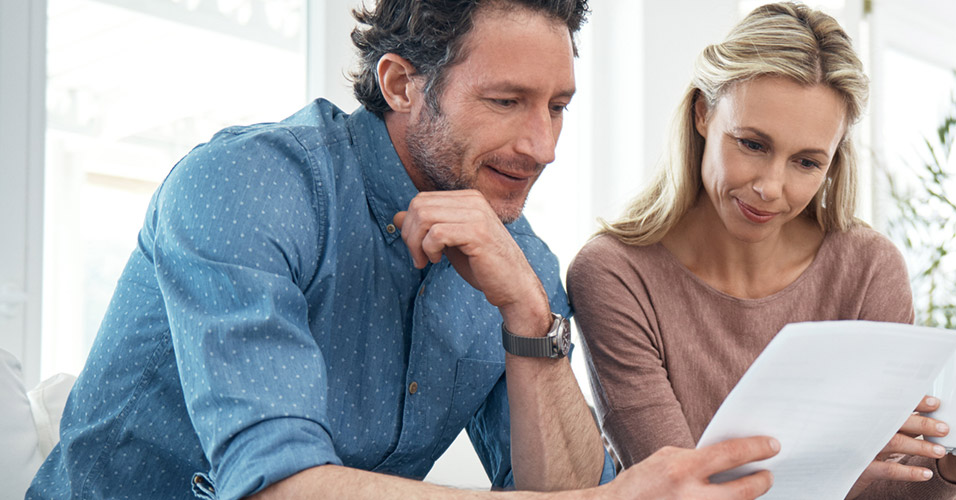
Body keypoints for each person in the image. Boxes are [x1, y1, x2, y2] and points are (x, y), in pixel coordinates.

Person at [27, 1, 779, 499]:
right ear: (400, 84)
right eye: (506, 101)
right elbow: (276, 486)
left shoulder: (519, 258)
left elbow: (562, 489)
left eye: (558, 107)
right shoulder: (246, 187)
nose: (542, 146)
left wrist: (528, 312)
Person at [566, 3, 956, 499]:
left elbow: (894, 487)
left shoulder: (867, 269)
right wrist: (836, 463)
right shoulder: (615, 274)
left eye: (805, 162)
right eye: (752, 144)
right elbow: (678, 491)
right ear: (703, 113)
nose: (771, 188)